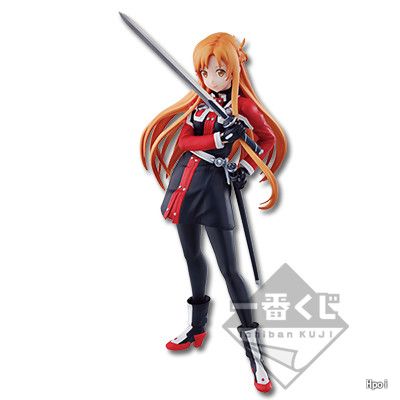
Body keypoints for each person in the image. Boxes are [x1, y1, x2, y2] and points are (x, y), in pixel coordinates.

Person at [140, 32, 286, 393]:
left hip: (214, 187)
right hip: (185, 182)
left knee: (229, 269)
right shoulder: (200, 104)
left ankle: (255, 355)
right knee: (191, 256)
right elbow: (185, 142)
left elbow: (267, 140)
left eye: (219, 72)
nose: (210, 79)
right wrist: (219, 138)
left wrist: (246, 168)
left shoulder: (243, 108)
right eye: (205, 72)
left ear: (233, 70)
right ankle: (196, 327)